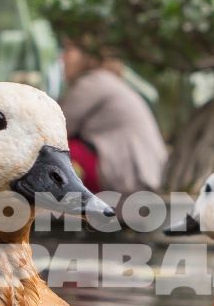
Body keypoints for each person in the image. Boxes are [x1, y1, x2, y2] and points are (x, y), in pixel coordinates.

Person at [58, 38, 167, 198]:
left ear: (88, 56)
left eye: (69, 51)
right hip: (142, 173)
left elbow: (57, 129)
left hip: (127, 175)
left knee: (46, 152)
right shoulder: (107, 81)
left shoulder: (94, 82)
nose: (62, 58)